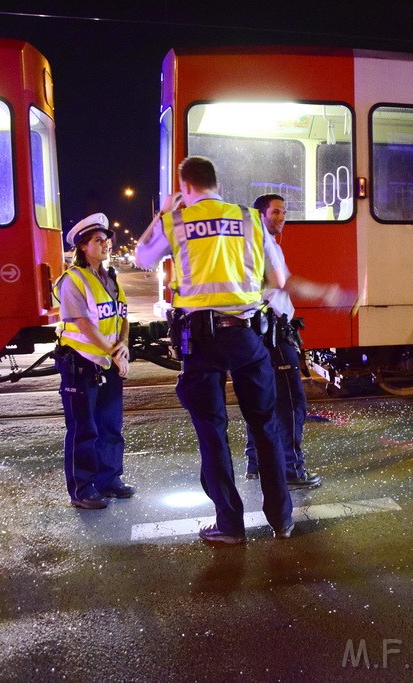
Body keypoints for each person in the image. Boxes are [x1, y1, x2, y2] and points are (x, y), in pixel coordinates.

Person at [135, 156, 293, 544]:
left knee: (212, 432)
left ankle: (230, 525)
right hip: (245, 336)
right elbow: (279, 278)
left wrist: (164, 212)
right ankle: (282, 520)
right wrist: (248, 300)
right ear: (216, 183)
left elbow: (142, 258)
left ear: (185, 185)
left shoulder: (177, 220)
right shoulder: (249, 219)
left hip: (201, 342)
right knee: (266, 427)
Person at [243, 193, 342, 487]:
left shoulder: (253, 243)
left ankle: (256, 463)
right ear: (261, 214)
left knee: (260, 400)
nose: (281, 217)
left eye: (284, 212)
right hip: (274, 334)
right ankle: (291, 468)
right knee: (290, 403)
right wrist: (326, 292)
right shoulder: (264, 244)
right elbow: (285, 283)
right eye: (275, 212)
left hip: (258, 332)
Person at [54, 213, 133, 510]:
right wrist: (114, 351)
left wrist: (123, 344)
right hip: (82, 363)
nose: (106, 244)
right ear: (83, 247)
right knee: (84, 429)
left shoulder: (111, 278)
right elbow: (84, 324)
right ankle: (82, 489)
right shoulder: (72, 280)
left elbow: (123, 316)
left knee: (111, 425)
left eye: (106, 239)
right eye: (98, 240)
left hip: (107, 362)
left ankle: (109, 480)